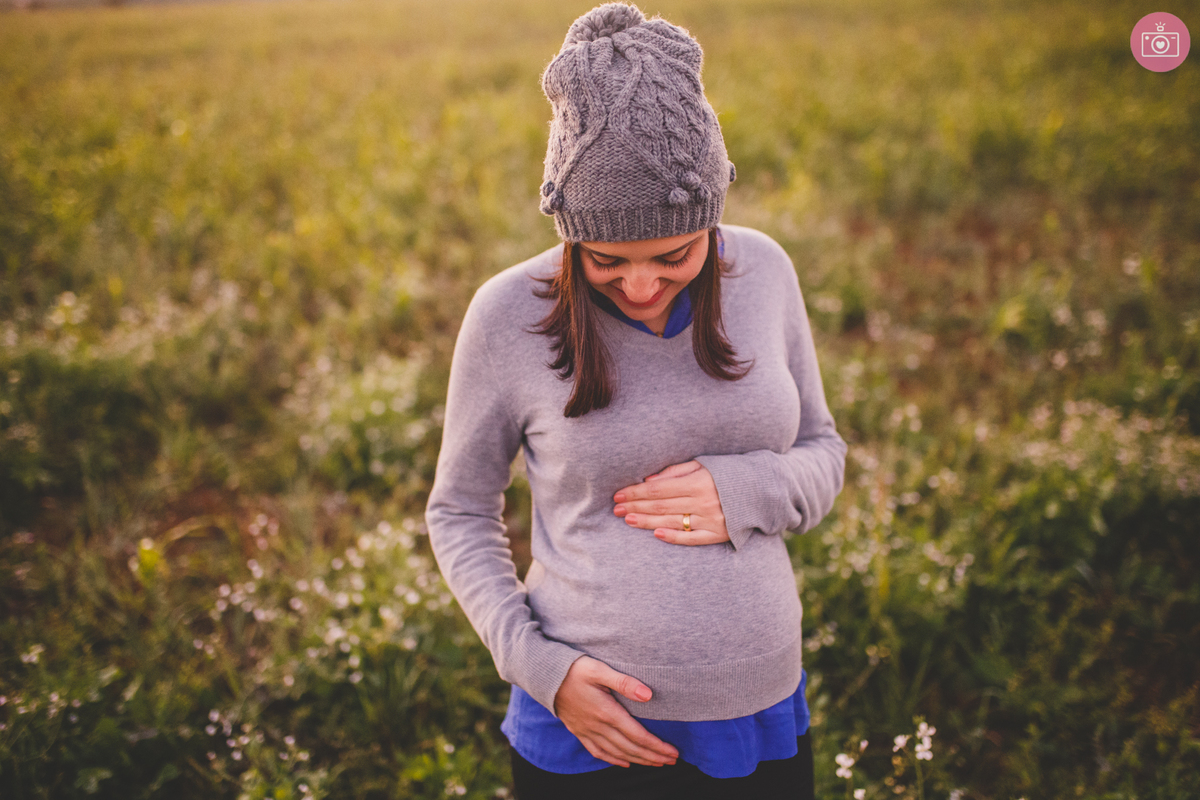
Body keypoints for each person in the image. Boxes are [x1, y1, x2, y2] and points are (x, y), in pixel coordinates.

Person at [425, 4, 846, 798]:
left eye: (675, 255)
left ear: (712, 217)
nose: (643, 285)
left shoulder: (765, 273)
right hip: (585, 728)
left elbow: (823, 449)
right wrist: (540, 668)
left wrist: (751, 489)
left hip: (754, 708)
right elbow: (459, 512)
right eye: (608, 260)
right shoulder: (505, 314)